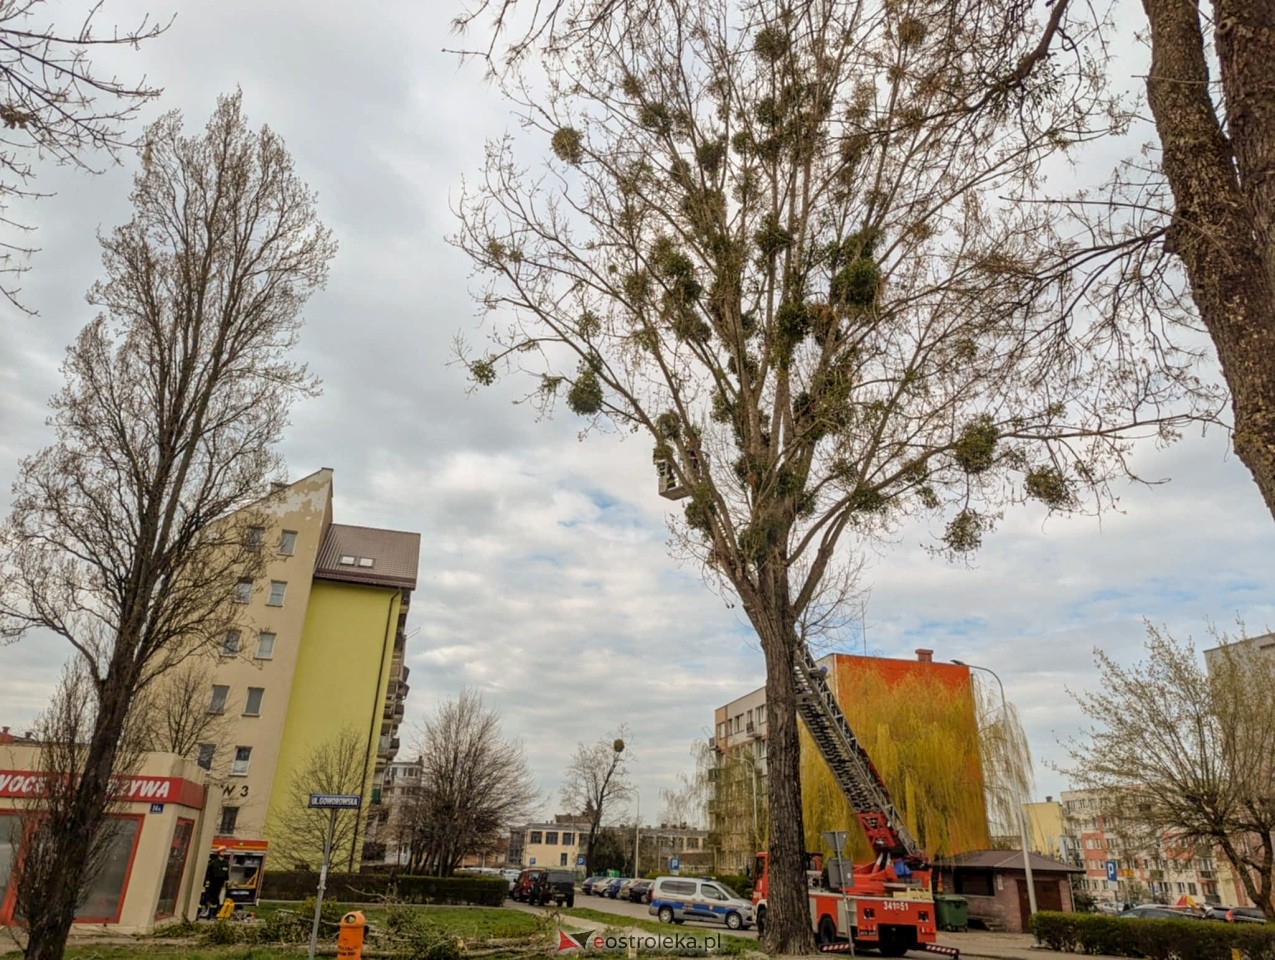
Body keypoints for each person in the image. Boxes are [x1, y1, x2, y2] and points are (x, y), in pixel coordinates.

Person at [199, 847, 231, 919]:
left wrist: (227, 883)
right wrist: (207, 882)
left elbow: (226, 875)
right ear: (218, 853)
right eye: (222, 851)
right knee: (205, 898)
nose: (223, 853)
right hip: (211, 884)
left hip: (219, 885)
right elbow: (208, 873)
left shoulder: (225, 863)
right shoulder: (213, 863)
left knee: (215, 900)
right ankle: (198, 913)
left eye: (224, 851)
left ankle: (212, 914)